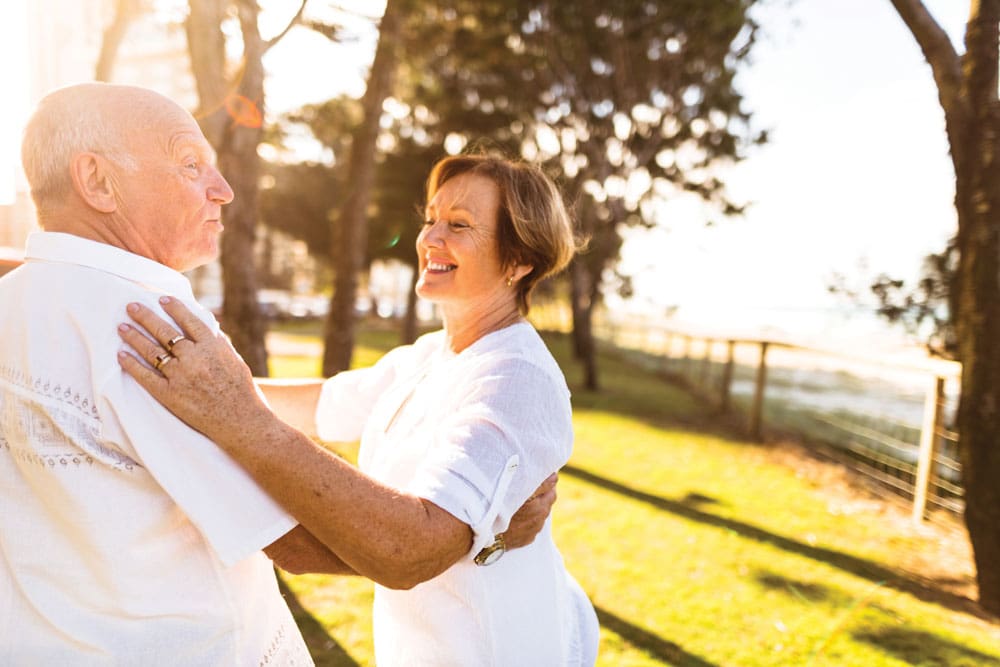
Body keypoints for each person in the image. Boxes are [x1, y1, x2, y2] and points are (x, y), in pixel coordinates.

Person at [0, 83, 553, 664]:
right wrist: (481, 533)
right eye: (191, 164)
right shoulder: (154, 332)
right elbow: (315, 539)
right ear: (96, 181)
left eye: (459, 224)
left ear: (519, 263)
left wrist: (228, 400)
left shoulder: (16, 303)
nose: (224, 189)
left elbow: (302, 405)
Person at [117, 154, 601, 665]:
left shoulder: (517, 379)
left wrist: (237, 417)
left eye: (459, 225)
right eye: (431, 219)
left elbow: (411, 547)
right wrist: (196, 379)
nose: (431, 238)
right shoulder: (424, 357)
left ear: (518, 260)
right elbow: (318, 404)